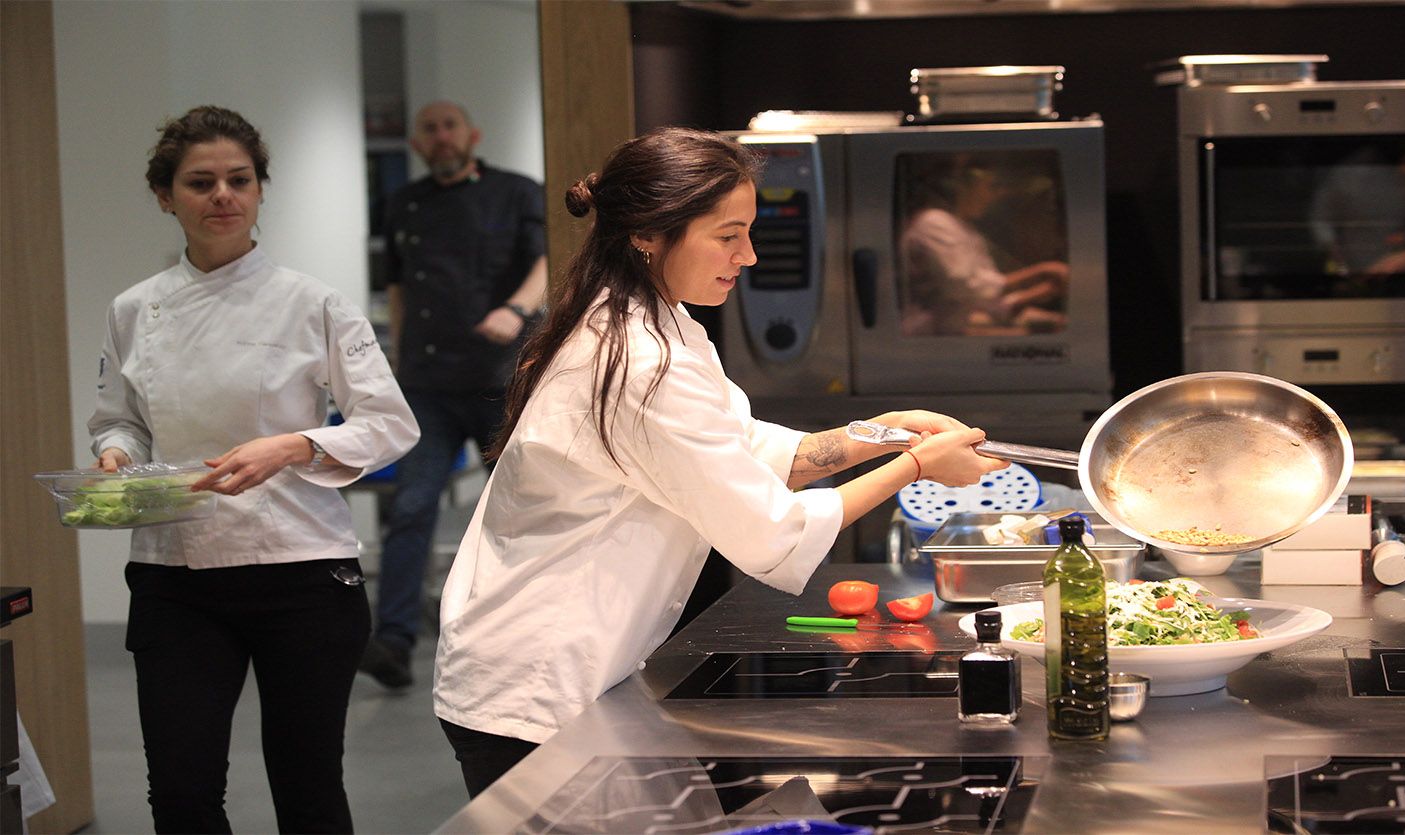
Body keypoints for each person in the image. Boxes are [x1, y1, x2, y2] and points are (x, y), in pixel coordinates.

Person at [431, 126, 1009, 798]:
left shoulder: (665, 325)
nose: (750, 255)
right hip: (532, 683)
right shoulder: (636, 361)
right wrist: (916, 466)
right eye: (728, 235)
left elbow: (750, 454)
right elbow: (772, 528)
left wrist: (881, 432)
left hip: (576, 665)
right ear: (648, 233)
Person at [87, 105, 419, 833]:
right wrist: (116, 456)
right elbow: (122, 417)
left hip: (301, 571)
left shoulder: (315, 304)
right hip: (175, 574)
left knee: (307, 789)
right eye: (200, 182)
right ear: (165, 196)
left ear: (261, 190)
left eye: (239, 179)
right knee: (181, 791)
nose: (222, 196)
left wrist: (293, 445)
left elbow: (390, 424)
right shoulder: (134, 309)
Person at [360, 100, 548, 689]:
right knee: (412, 508)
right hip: (427, 384)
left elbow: (548, 262)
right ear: (417, 143)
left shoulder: (518, 192)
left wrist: (517, 309)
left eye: (449, 127)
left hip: (502, 379)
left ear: (472, 134)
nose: (440, 138)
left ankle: (520, 635)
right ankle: (392, 641)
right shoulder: (403, 205)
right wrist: (395, 361)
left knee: (521, 511)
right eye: (429, 130)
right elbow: (398, 288)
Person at [898, 155, 1070, 336]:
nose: (995, 197)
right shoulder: (934, 222)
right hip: (927, 338)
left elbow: (986, 304)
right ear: (962, 187)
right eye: (991, 187)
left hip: (952, 333)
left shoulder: (968, 231)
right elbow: (964, 287)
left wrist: (1042, 294)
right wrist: (1041, 271)